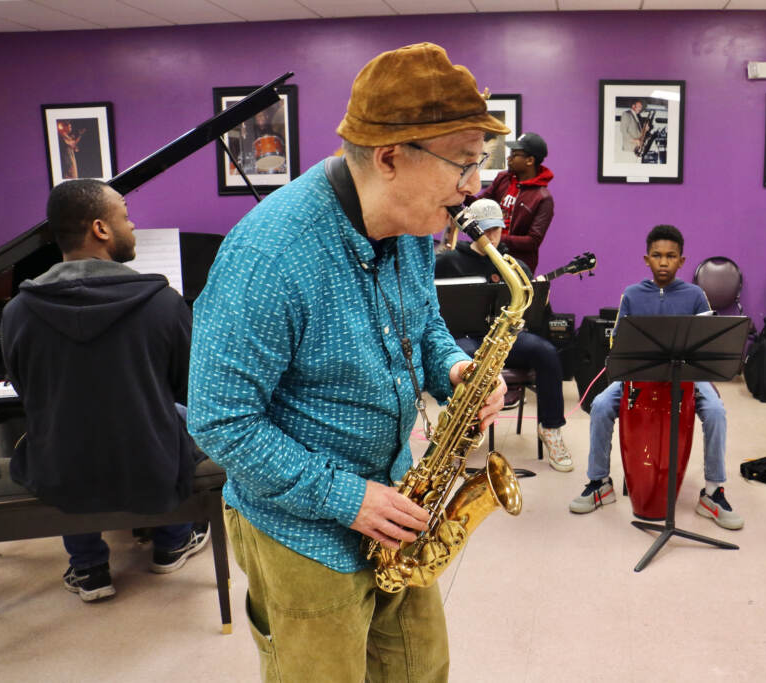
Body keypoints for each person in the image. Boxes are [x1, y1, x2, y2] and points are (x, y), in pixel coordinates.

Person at [187, 43, 509, 682]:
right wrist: (347, 498)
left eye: (481, 163)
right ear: (391, 157)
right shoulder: (270, 256)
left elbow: (421, 327)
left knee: (422, 669)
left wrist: (451, 369)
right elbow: (219, 421)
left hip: (396, 502)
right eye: (465, 164)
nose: (476, 186)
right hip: (301, 533)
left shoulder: (414, 224)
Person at [0, 179, 208, 603]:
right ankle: (172, 541)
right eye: (126, 217)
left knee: (53, 425)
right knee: (182, 418)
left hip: (61, 468)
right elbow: (189, 388)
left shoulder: (17, 311)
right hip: (149, 463)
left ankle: (88, 566)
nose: (132, 227)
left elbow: (27, 392)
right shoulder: (165, 304)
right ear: (101, 228)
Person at [569, 224, 744, 531]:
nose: (664, 262)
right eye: (657, 255)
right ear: (646, 259)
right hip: (639, 374)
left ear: (682, 261)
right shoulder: (633, 295)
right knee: (599, 406)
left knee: (716, 411)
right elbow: (621, 343)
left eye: (671, 256)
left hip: (686, 373)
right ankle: (599, 483)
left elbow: (707, 341)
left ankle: (714, 491)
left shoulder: (694, 295)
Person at [435, 198, 573, 472]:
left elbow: (535, 319)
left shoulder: (516, 264)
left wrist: (540, 302)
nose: (490, 237)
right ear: (470, 231)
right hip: (466, 337)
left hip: (506, 337)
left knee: (546, 352)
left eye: (495, 230)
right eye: (483, 231)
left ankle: (551, 429)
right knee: (460, 360)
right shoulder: (447, 262)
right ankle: (458, 435)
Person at [475, 131, 553, 273]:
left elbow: (532, 242)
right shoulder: (502, 179)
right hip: (489, 257)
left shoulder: (543, 198)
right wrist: (460, 192)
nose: (509, 158)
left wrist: (498, 239)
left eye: (515, 154)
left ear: (530, 160)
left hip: (518, 266)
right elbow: (479, 204)